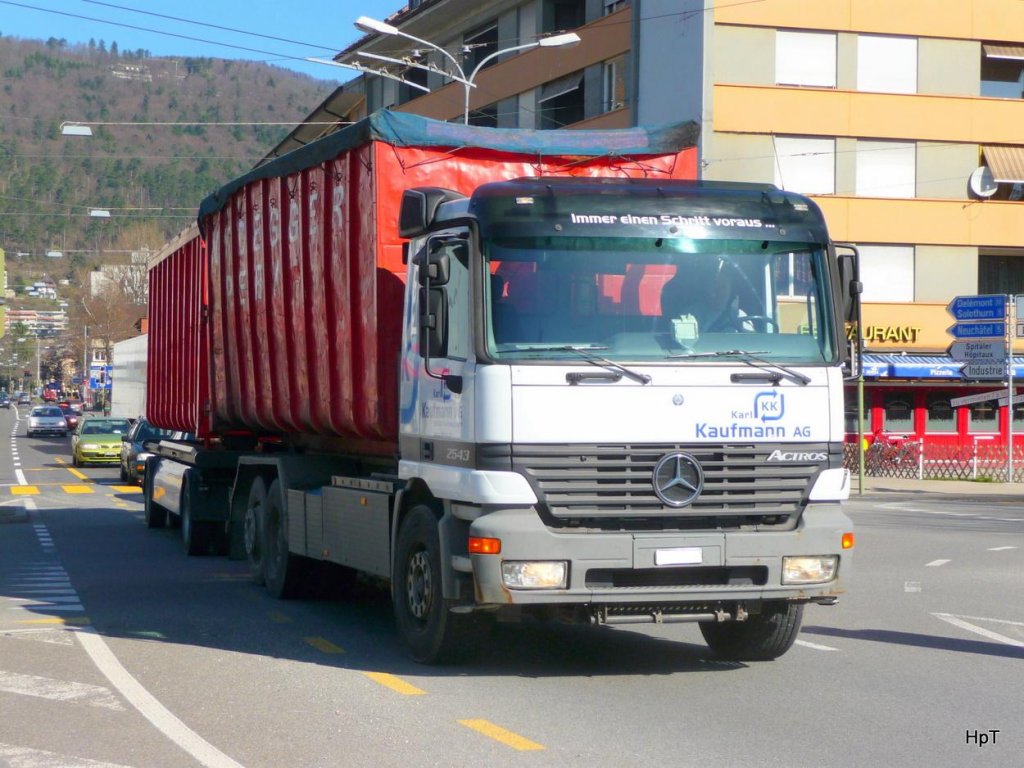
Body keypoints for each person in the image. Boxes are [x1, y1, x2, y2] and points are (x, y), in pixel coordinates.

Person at [660, 256, 749, 335]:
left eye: (723, 288)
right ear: (706, 289)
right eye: (714, 287)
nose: (718, 292)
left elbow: (751, 342)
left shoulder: (740, 316)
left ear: (731, 291)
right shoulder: (690, 315)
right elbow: (682, 343)